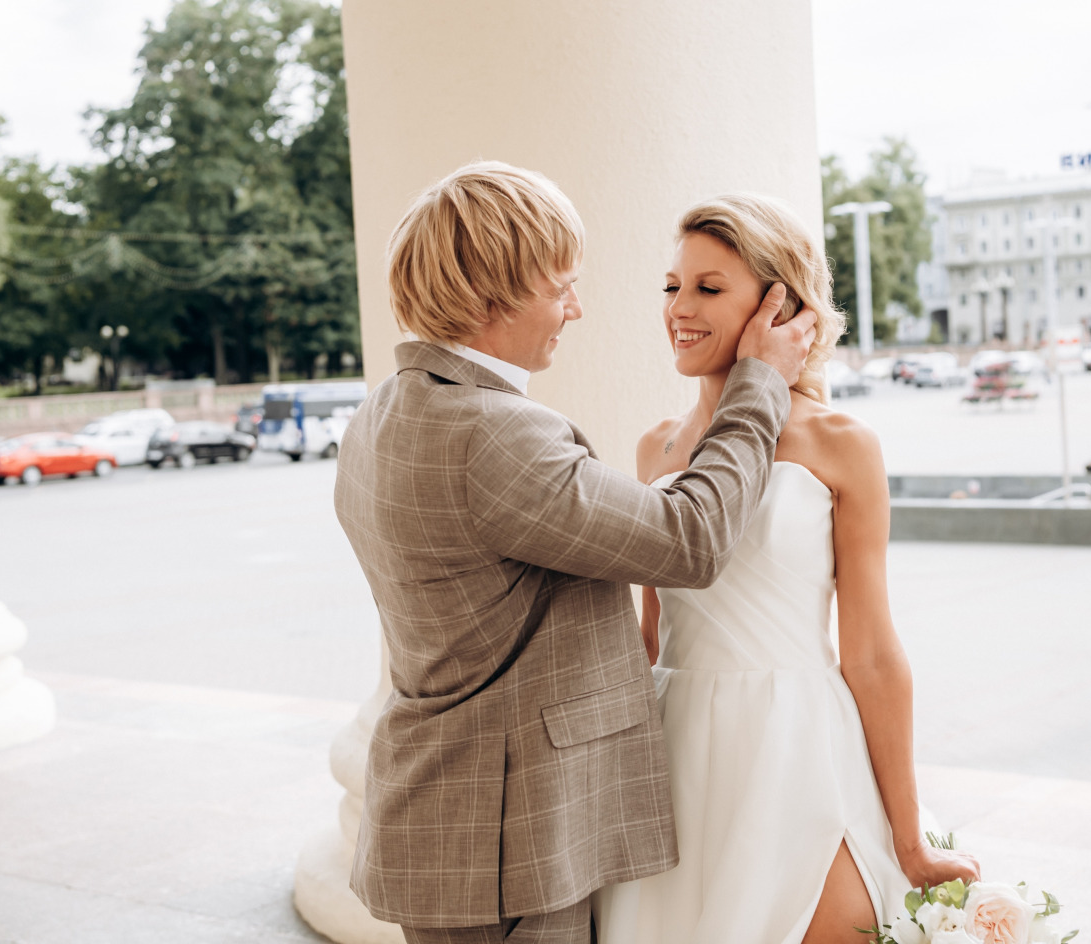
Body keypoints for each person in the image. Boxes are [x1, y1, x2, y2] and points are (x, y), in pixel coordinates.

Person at [333, 162, 818, 944]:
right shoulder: (493, 432)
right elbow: (688, 540)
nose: (576, 307)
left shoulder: (384, 410)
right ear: (496, 292)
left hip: (448, 825)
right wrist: (758, 384)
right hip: (509, 841)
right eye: (560, 286)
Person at [594, 194, 980, 944]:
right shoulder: (656, 450)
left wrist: (909, 837)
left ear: (779, 307)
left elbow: (870, 653)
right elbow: (647, 639)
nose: (680, 307)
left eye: (709, 288)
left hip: (799, 743)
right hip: (674, 753)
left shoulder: (841, 443)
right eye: (673, 286)